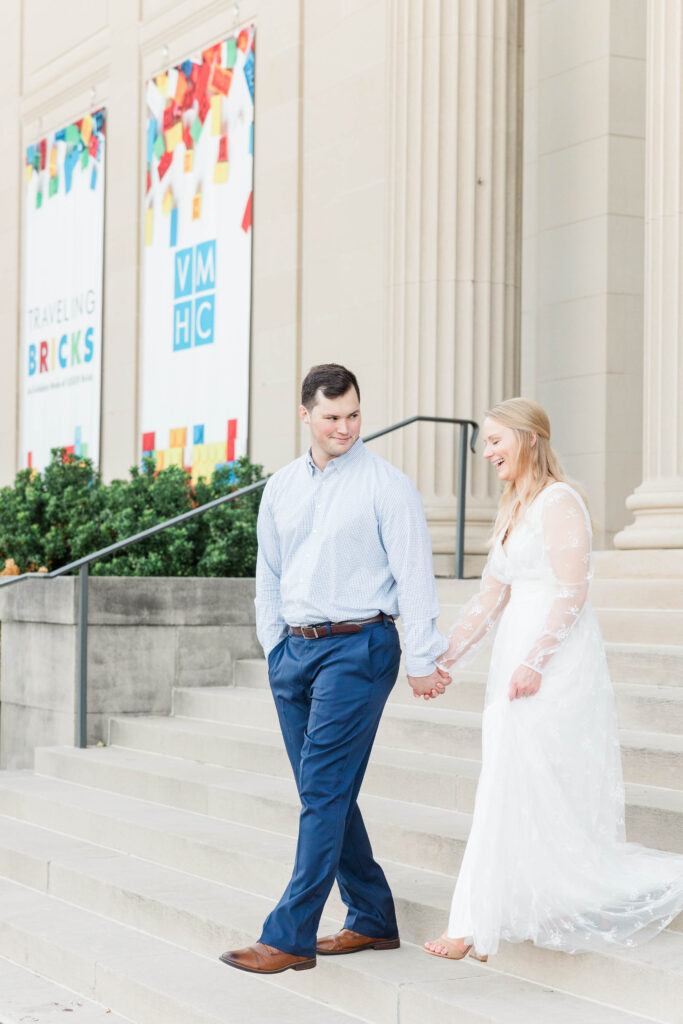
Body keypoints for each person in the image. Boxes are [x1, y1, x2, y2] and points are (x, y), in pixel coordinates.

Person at [424, 397, 683, 962]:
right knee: (509, 777)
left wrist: (535, 660)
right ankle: (500, 908)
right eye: (485, 442)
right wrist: (444, 659)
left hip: (553, 661)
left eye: (495, 440)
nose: (486, 452)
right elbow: (491, 595)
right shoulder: (514, 508)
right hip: (514, 657)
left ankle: (471, 922)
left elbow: (573, 588)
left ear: (528, 438)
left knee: (516, 779)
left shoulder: (559, 501)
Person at [220, 363, 451, 975]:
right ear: (305, 416)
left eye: (352, 415)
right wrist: (274, 646)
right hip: (294, 651)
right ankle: (372, 916)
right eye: (332, 417)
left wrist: (424, 657)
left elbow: (415, 577)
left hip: (359, 648)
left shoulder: (387, 485)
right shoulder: (282, 488)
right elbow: (269, 573)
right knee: (325, 792)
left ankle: (290, 933)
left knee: (322, 790)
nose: (345, 427)